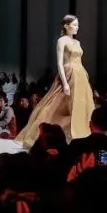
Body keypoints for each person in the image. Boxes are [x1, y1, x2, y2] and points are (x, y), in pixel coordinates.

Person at [14, 14, 94, 147]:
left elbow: (79, 61)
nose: (77, 27)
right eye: (74, 25)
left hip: (80, 75)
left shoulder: (77, 42)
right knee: (56, 106)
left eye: (78, 25)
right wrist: (65, 82)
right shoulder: (62, 40)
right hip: (68, 74)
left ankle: (77, 136)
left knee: (79, 107)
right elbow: (60, 63)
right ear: (66, 26)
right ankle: (43, 136)